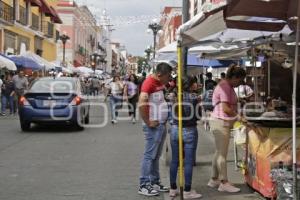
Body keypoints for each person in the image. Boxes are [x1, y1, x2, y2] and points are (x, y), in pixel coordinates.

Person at [207, 64, 246, 193]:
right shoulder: (225, 86)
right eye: (239, 81)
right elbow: (225, 108)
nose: (239, 84)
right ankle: (224, 182)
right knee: (222, 154)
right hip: (221, 122)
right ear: (234, 77)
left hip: (220, 121)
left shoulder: (226, 85)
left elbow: (228, 104)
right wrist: (238, 116)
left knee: (219, 152)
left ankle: (214, 179)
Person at [138, 62, 172, 196]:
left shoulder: (158, 83)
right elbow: (142, 103)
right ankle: (144, 184)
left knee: (156, 156)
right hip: (153, 127)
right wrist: (148, 121)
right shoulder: (149, 83)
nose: (169, 79)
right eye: (168, 76)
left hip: (160, 125)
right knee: (149, 156)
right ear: (159, 75)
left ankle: (154, 181)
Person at [169, 76, 202, 199]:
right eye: (195, 83)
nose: (197, 84)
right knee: (188, 162)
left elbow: (170, 114)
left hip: (175, 129)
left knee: (175, 160)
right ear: (191, 84)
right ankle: (187, 191)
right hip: (190, 130)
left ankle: (172, 188)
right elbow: (198, 116)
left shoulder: (174, 96)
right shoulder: (195, 98)